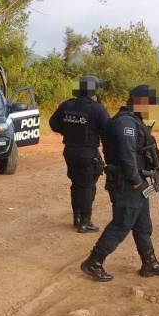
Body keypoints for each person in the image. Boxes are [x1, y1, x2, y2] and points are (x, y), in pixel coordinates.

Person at [80, 84, 159, 282]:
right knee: (121, 223)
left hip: (137, 183)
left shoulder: (134, 120)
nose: (152, 108)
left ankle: (149, 263)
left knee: (143, 224)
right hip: (127, 184)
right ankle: (93, 262)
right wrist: (136, 181)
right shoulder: (125, 123)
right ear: (139, 102)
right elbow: (127, 154)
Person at [50, 75, 110, 233]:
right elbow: (108, 129)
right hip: (87, 152)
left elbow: (53, 124)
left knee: (76, 184)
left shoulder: (67, 105)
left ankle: (77, 218)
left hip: (69, 151)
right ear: (93, 90)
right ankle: (85, 221)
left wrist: (68, 131)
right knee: (88, 186)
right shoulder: (96, 108)